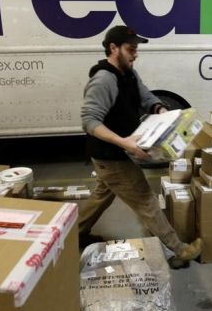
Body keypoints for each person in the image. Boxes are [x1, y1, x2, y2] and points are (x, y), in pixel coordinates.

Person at [79, 25, 203, 265]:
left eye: (136, 49)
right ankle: (179, 250)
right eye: (130, 49)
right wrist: (123, 141)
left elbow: (145, 96)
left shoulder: (129, 73)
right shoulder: (104, 80)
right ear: (113, 48)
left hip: (114, 153)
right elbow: (89, 121)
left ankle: (75, 233)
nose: (135, 54)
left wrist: (161, 110)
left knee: (102, 195)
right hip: (111, 156)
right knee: (146, 200)